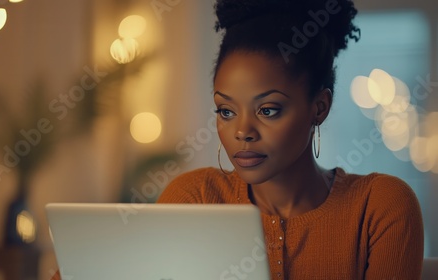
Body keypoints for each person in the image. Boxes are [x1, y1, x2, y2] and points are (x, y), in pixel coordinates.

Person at [156, 0, 424, 279]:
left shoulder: (379, 208)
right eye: (226, 111)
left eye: (268, 110)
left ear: (319, 108)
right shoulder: (192, 200)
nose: (242, 131)